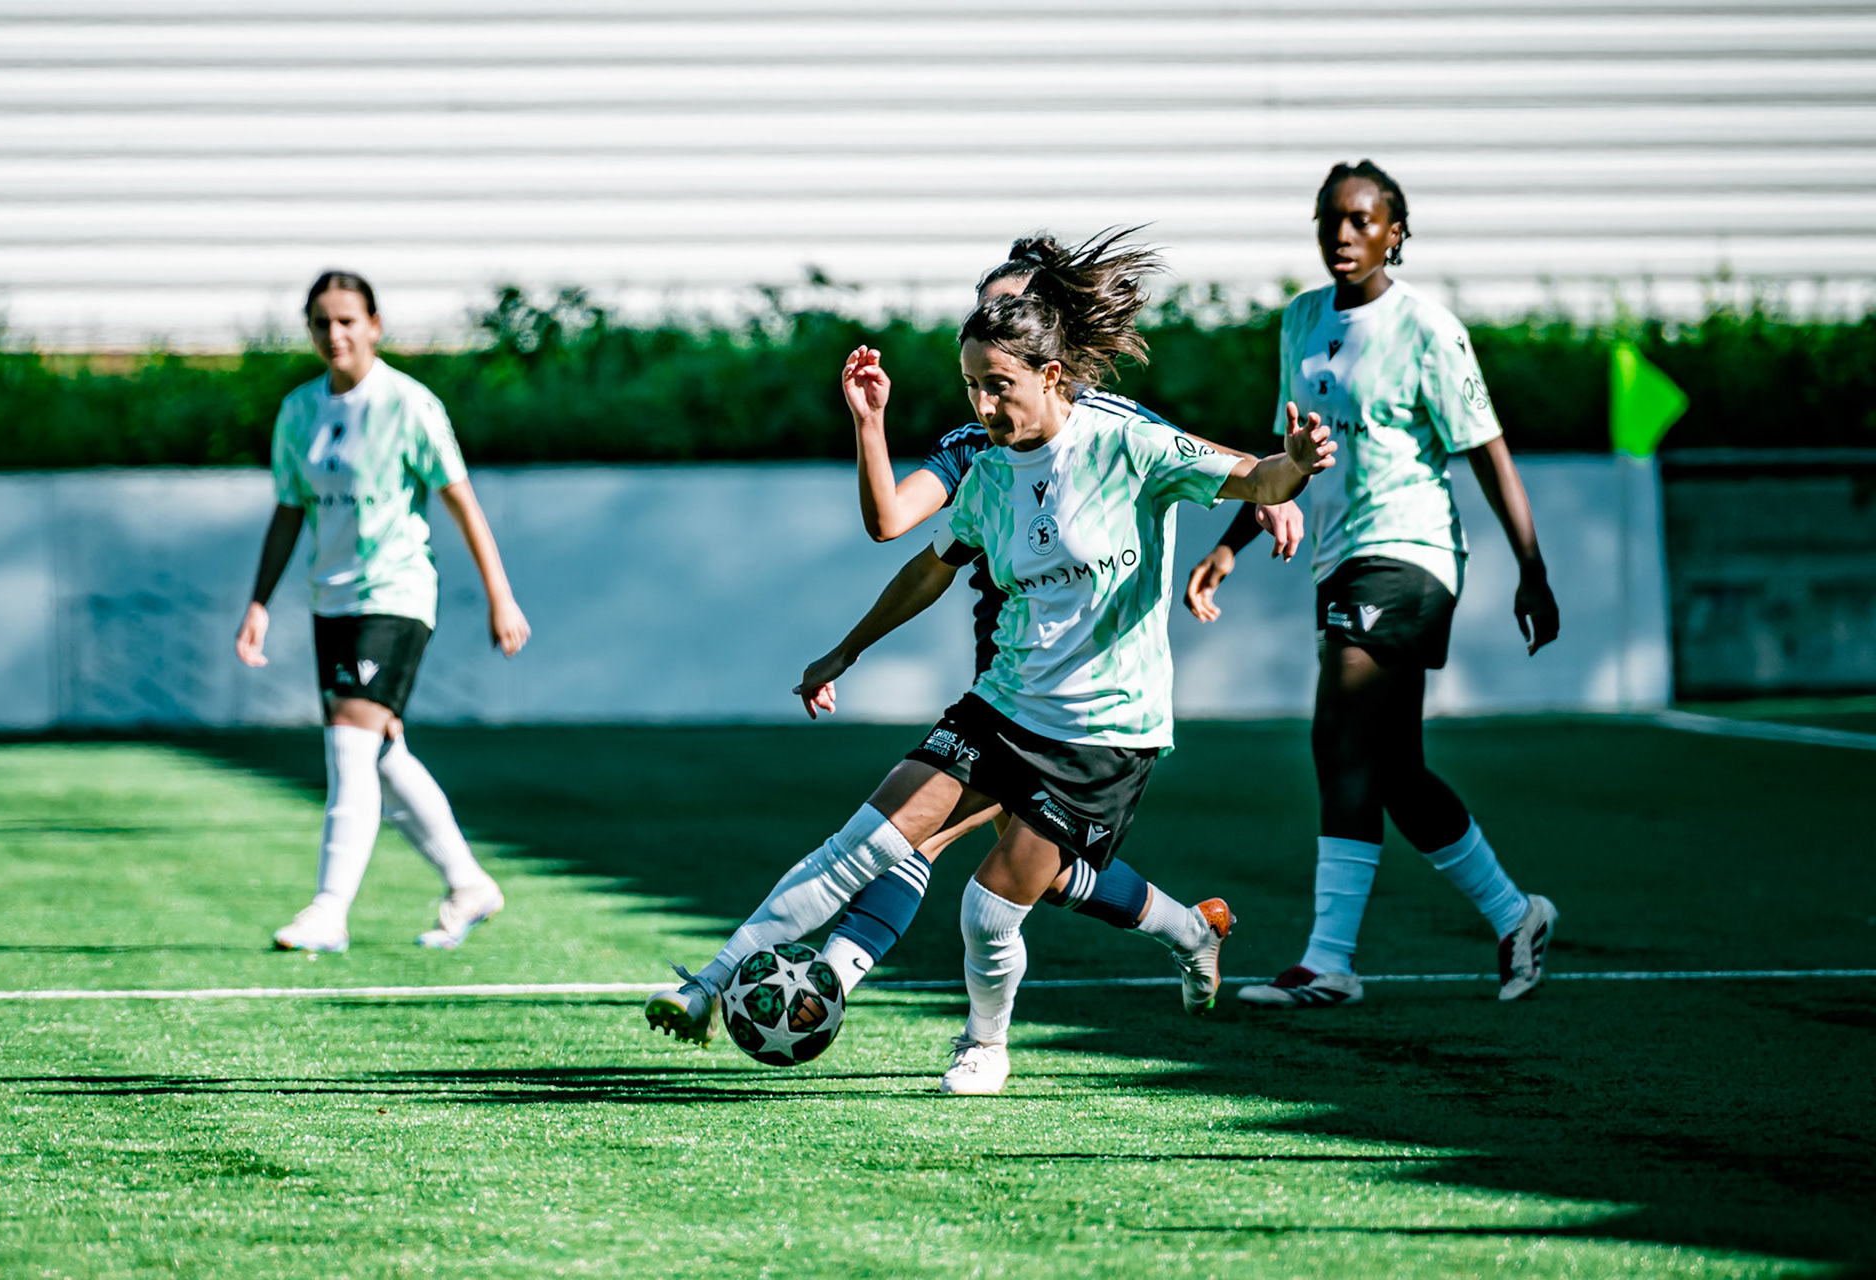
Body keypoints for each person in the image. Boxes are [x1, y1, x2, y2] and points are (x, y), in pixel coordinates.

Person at [647, 231, 1334, 1094]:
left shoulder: (1130, 443)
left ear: (1053, 374)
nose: (982, 404)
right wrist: (846, 647)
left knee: (992, 902)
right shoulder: (986, 468)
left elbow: (1257, 478)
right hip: (1003, 702)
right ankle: (711, 983)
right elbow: (926, 564)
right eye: (971, 385)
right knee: (863, 844)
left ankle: (989, 1042)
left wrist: (1294, 471)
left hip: (1102, 734)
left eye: (997, 385)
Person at [819, 237, 1307, 1009]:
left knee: (943, 839)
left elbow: (1211, 462)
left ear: (1053, 341)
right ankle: (1188, 930)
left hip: (1087, 696)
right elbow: (896, 527)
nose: (1000, 322)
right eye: (991, 312)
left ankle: (829, 978)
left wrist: (1278, 482)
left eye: (1019, 311)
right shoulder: (975, 443)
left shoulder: (1109, 423)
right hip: (1007, 677)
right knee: (1020, 865)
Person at [1185, 161, 1561, 1007]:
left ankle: (1328, 962)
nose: (1343, 235)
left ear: (1397, 231)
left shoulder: (1429, 329)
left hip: (1413, 553)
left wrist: (1532, 570)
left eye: (1361, 220)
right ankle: (1515, 917)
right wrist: (1232, 543)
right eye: (1330, 220)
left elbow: (1487, 450)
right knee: (1393, 771)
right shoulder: (1301, 322)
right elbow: (1294, 456)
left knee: (1338, 736)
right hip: (1341, 558)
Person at [234, 270, 531, 954]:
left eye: (346, 321)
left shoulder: (409, 405)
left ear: (374, 325)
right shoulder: (299, 412)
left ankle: (329, 910)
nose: (334, 335)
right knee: (382, 750)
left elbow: (460, 499)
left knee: (347, 742)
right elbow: (288, 510)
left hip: (394, 596)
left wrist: (500, 594)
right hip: (329, 600)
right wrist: (258, 602)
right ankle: (468, 883)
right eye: (321, 323)